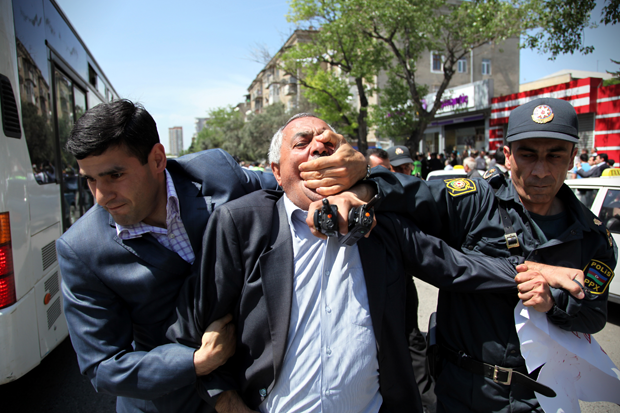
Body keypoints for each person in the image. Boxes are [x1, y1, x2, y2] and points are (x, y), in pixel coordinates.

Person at [167, 113, 570, 413]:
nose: (317, 151)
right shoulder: (242, 223)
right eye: (302, 143)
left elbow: (457, 267)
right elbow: (197, 325)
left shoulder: (381, 224)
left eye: (327, 146)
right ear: (275, 170)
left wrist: (535, 271)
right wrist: (225, 400)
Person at [57, 100, 368, 413]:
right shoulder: (81, 249)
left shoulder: (218, 174)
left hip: (251, 393)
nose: (101, 195)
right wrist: (196, 361)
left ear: (157, 159)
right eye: (90, 179)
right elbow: (103, 366)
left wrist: (356, 174)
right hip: (170, 405)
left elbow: (291, 186)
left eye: (114, 175)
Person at [328, 97, 617, 412]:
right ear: (507, 155)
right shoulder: (475, 201)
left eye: (555, 156)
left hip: (540, 398)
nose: (540, 170)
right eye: (528, 155)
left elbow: (594, 316)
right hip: (462, 391)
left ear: (574, 157)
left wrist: (553, 302)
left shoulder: (592, 236)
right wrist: (366, 190)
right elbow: (411, 194)